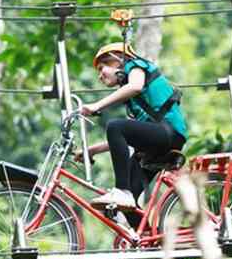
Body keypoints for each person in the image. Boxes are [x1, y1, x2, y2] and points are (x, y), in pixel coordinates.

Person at [79, 42, 188, 210]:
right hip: (157, 141)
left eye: (102, 68)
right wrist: (93, 150)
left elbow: (135, 86)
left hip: (168, 132)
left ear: (118, 59)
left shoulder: (135, 65)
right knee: (123, 207)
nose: (100, 76)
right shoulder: (133, 101)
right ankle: (148, 234)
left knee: (115, 126)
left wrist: (96, 105)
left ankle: (122, 190)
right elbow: (128, 138)